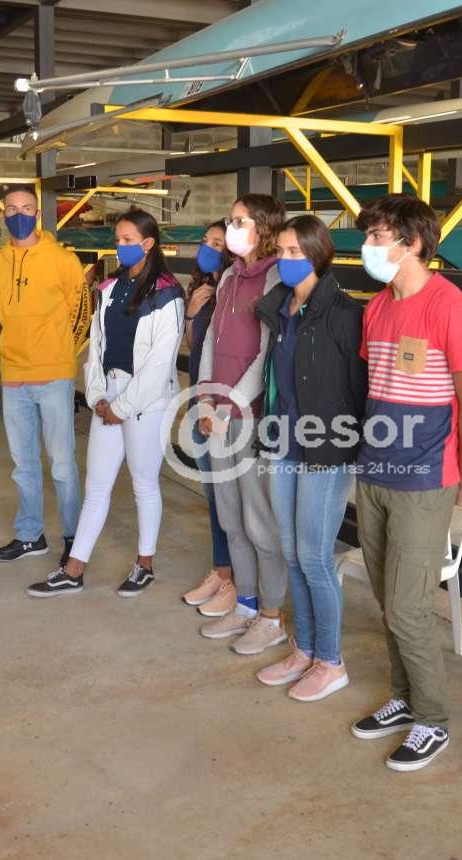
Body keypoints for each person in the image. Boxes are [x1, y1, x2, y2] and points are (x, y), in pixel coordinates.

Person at [347, 194, 462, 772]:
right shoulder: (377, 309)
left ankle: (433, 720)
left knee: (407, 606)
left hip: (425, 480)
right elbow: (378, 389)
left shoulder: (451, 309)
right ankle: (404, 697)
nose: (367, 246)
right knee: (388, 599)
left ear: (412, 244)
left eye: (378, 237)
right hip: (375, 473)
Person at [27, 210, 184, 599]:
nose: (120, 246)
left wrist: (123, 407)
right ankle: (74, 568)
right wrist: (97, 395)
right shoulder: (109, 287)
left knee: (144, 483)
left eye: (128, 239)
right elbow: (96, 348)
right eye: (118, 239)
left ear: (148, 244)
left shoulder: (167, 292)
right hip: (108, 394)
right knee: (96, 484)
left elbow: (160, 362)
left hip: (146, 401)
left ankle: (145, 564)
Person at [253, 215, 366, 702]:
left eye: (295, 251)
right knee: (292, 552)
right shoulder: (280, 308)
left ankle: (331, 662)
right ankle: (305, 649)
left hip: (326, 450)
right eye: (281, 250)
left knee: (316, 557)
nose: (285, 259)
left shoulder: (344, 313)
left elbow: (359, 390)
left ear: (319, 254)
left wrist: (351, 449)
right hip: (284, 444)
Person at [195, 193, 288, 655]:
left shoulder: (275, 277)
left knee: (259, 522)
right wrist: (206, 398)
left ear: (264, 227)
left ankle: (272, 617)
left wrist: (228, 405)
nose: (231, 228)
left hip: (249, 417)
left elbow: (265, 354)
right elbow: (212, 342)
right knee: (230, 517)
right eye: (231, 220)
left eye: (239, 221)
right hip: (218, 414)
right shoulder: (230, 276)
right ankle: (246, 605)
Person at [0, 187, 85, 568]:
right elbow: (2, 311)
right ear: (3, 214)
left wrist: (59, 351)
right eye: (11, 209)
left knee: (62, 464)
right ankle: (30, 535)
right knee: (23, 464)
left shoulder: (63, 261)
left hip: (54, 374)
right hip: (13, 374)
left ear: (38, 215)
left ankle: (75, 538)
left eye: (26, 208)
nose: (19, 215)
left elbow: (80, 311)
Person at [180, 219, 239, 617]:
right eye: (206, 241)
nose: (208, 248)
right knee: (213, 496)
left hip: (223, 409)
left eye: (218, 243)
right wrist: (191, 313)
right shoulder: (203, 290)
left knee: (230, 498)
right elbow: (194, 346)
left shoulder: (234, 292)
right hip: (198, 402)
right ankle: (221, 572)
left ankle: (236, 579)